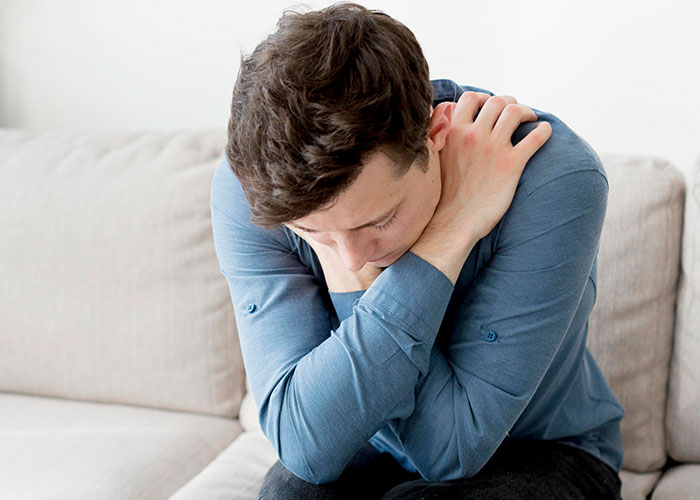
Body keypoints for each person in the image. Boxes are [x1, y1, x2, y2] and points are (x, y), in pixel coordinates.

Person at [210, 2, 625, 499]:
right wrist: (449, 232)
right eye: (314, 233)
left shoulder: (552, 178)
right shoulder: (255, 191)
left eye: (379, 220)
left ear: (434, 135)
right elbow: (305, 446)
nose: (352, 260)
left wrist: (382, 284)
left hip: (540, 449)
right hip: (364, 440)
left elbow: (449, 449)